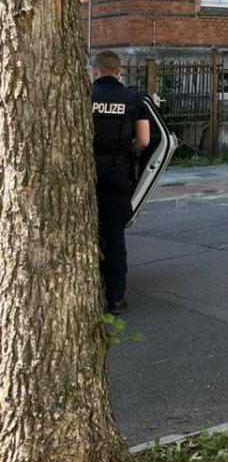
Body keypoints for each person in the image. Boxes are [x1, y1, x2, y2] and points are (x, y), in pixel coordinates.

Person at [92, 50, 150, 315]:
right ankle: (115, 298)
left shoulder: (84, 95)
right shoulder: (133, 99)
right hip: (116, 171)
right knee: (114, 234)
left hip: (85, 171)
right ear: (119, 72)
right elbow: (145, 142)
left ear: (95, 72)